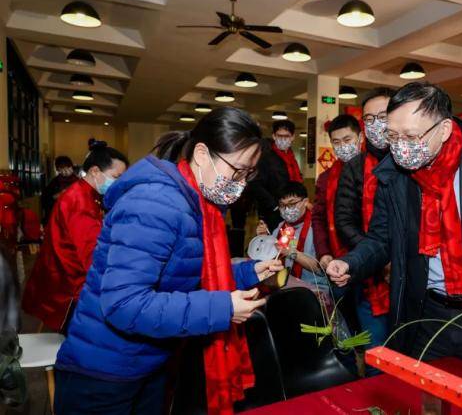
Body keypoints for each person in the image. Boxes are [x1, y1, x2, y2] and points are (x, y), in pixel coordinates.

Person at [53, 107, 283, 415]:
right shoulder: (155, 203)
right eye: (237, 171)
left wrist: (247, 272)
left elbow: (187, 271)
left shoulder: (195, 202)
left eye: (247, 175)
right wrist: (222, 308)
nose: (240, 184)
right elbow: (124, 304)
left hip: (148, 361)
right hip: (106, 372)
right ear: (202, 154)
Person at [327, 82, 462, 381]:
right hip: (425, 315)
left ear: (444, 130)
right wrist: (351, 263)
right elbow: (382, 238)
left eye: (410, 136)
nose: (400, 146)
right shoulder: (394, 175)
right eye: (393, 137)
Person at [22, 143, 129, 332]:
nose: (119, 183)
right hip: (70, 286)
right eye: (116, 177)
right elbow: (91, 254)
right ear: (95, 171)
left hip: (65, 279)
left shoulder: (85, 193)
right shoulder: (80, 202)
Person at [334, 88, 395, 351]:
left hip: (411, 275)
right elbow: (344, 220)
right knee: (378, 352)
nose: (375, 125)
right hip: (370, 272)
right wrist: (379, 257)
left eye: (383, 116)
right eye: (369, 119)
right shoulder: (355, 167)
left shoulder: (413, 162)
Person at [312, 114, 363, 270]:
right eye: (336, 142)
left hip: (371, 253)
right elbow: (318, 217)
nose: (343, 146)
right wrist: (323, 252)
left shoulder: (375, 170)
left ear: (360, 137)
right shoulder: (325, 178)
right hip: (338, 255)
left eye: (347, 140)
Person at [256, 181, 329, 292]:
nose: (287, 209)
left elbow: (321, 269)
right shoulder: (280, 228)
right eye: (282, 205)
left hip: (314, 289)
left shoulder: (317, 228)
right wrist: (264, 240)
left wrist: (291, 252)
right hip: (284, 287)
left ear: (305, 202)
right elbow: (269, 261)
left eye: (292, 203)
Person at [247, 120, 302, 231]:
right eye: (279, 136)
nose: (283, 139)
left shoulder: (291, 158)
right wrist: (274, 205)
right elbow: (255, 184)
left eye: (286, 136)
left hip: (292, 209)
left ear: (292, 137)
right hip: (273, 213)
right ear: (274, 136)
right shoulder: (266, 157)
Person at [41, 155, 78, 223]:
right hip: (58, 219)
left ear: (72, 167)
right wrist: (58, 195)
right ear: (58, 170)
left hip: (75, 218)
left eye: (68, 168)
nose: (66, 171)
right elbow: (44, 201)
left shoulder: (78, 182)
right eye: (62, 169)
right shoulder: (54, 183)